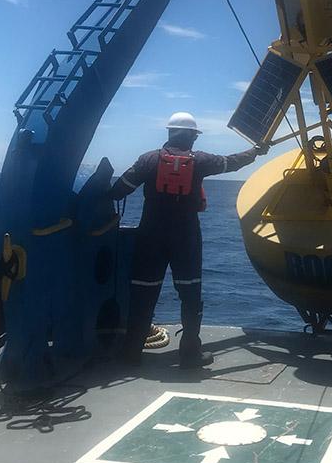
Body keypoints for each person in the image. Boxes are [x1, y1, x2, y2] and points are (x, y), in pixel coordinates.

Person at [110, 111, 269, 368]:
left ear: (169, 133)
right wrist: (255, 152)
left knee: (142, 294)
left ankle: (131, 353)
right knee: (190, 295)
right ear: (193, 137)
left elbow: (120, 190)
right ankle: (190, 355)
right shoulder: (201, 161)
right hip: (186, 238)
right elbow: (231, 162)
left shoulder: (148, 160)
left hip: (150, 237)